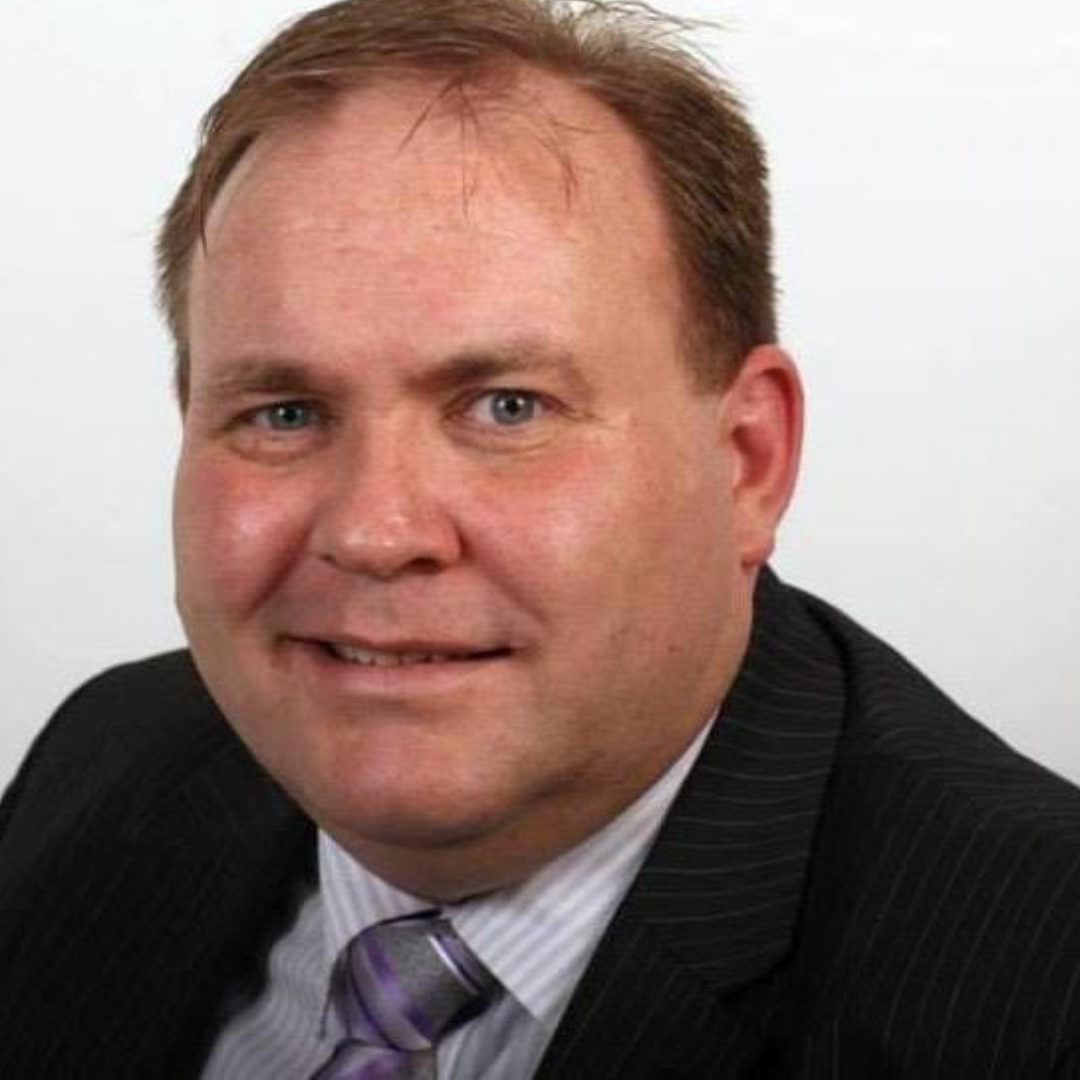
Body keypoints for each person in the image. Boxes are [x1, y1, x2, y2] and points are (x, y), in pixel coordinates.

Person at [1, 0, 1078, 1076]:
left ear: (748, 459)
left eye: (506, 408)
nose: (377, 532)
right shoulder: (105, 764)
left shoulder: (1037, 988)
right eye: (284, 414)